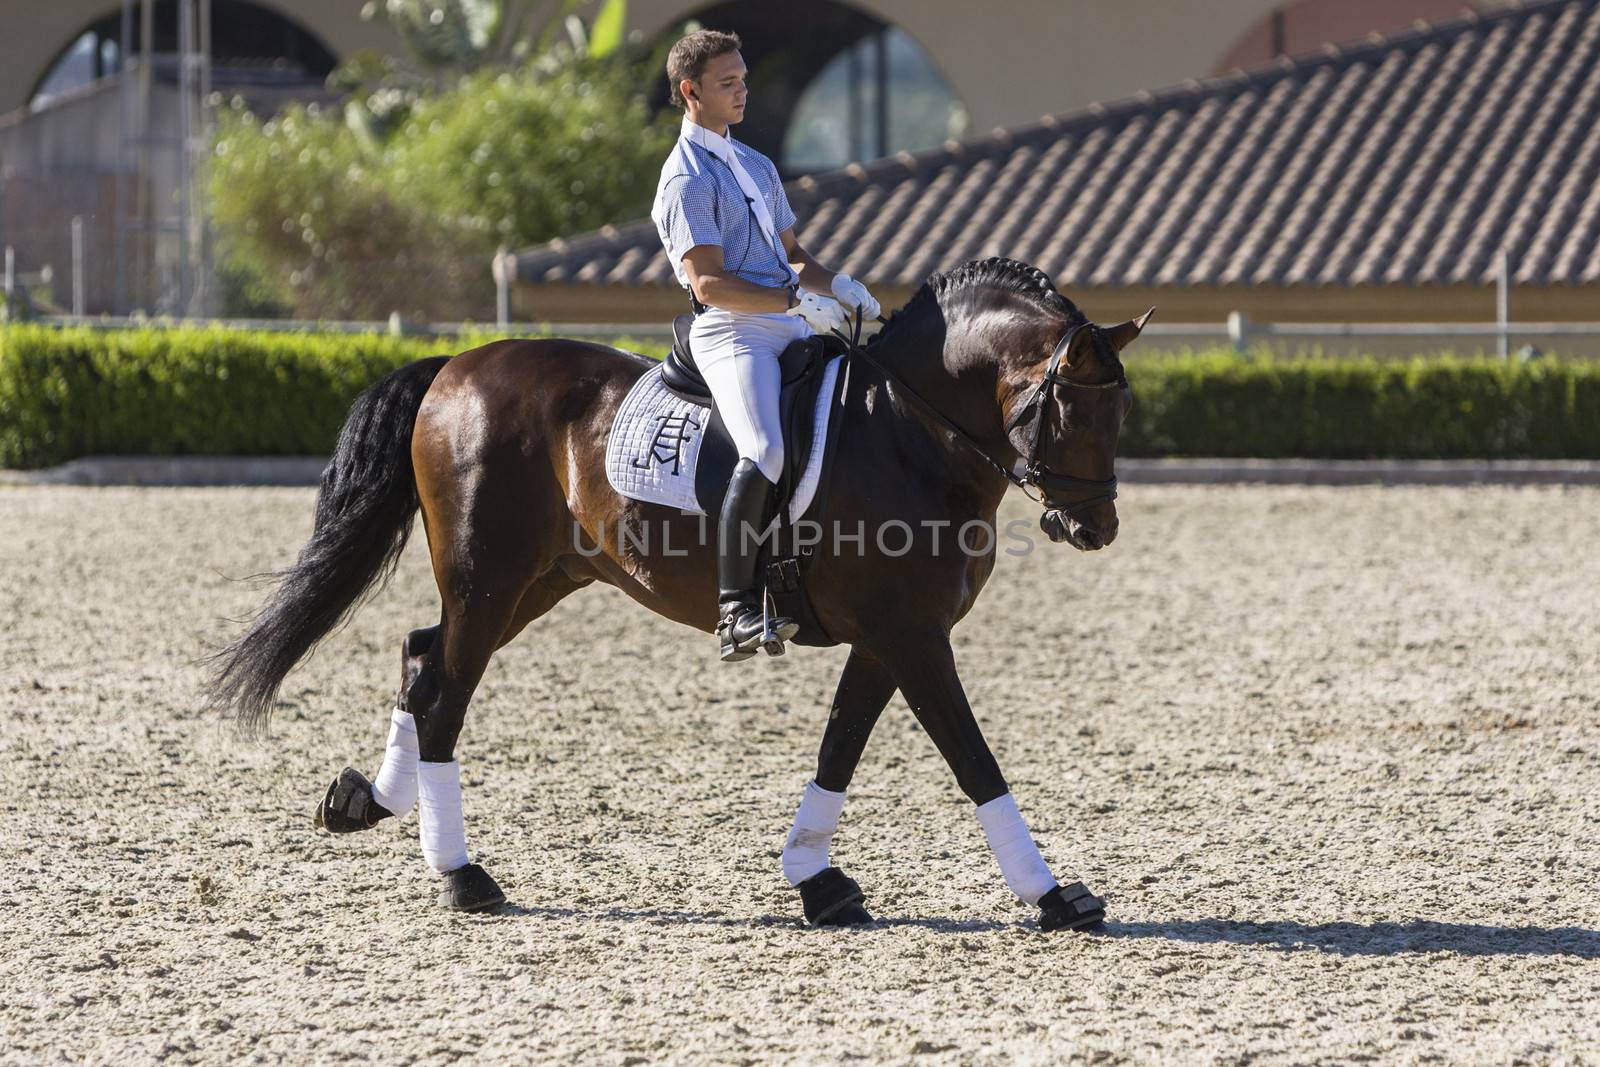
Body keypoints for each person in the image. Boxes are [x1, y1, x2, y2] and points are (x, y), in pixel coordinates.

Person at [651, 29, 880, 663]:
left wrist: (837, 284)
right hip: (733, 330)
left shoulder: (756, 164)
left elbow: (794, 257)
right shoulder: (683, 179)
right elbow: (709, 282)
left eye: (744, 79)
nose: (743, 91)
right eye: (729, 84)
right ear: (691, 92)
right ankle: (734, 608)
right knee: (766, 448)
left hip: (792, 319)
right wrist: (790, 302)